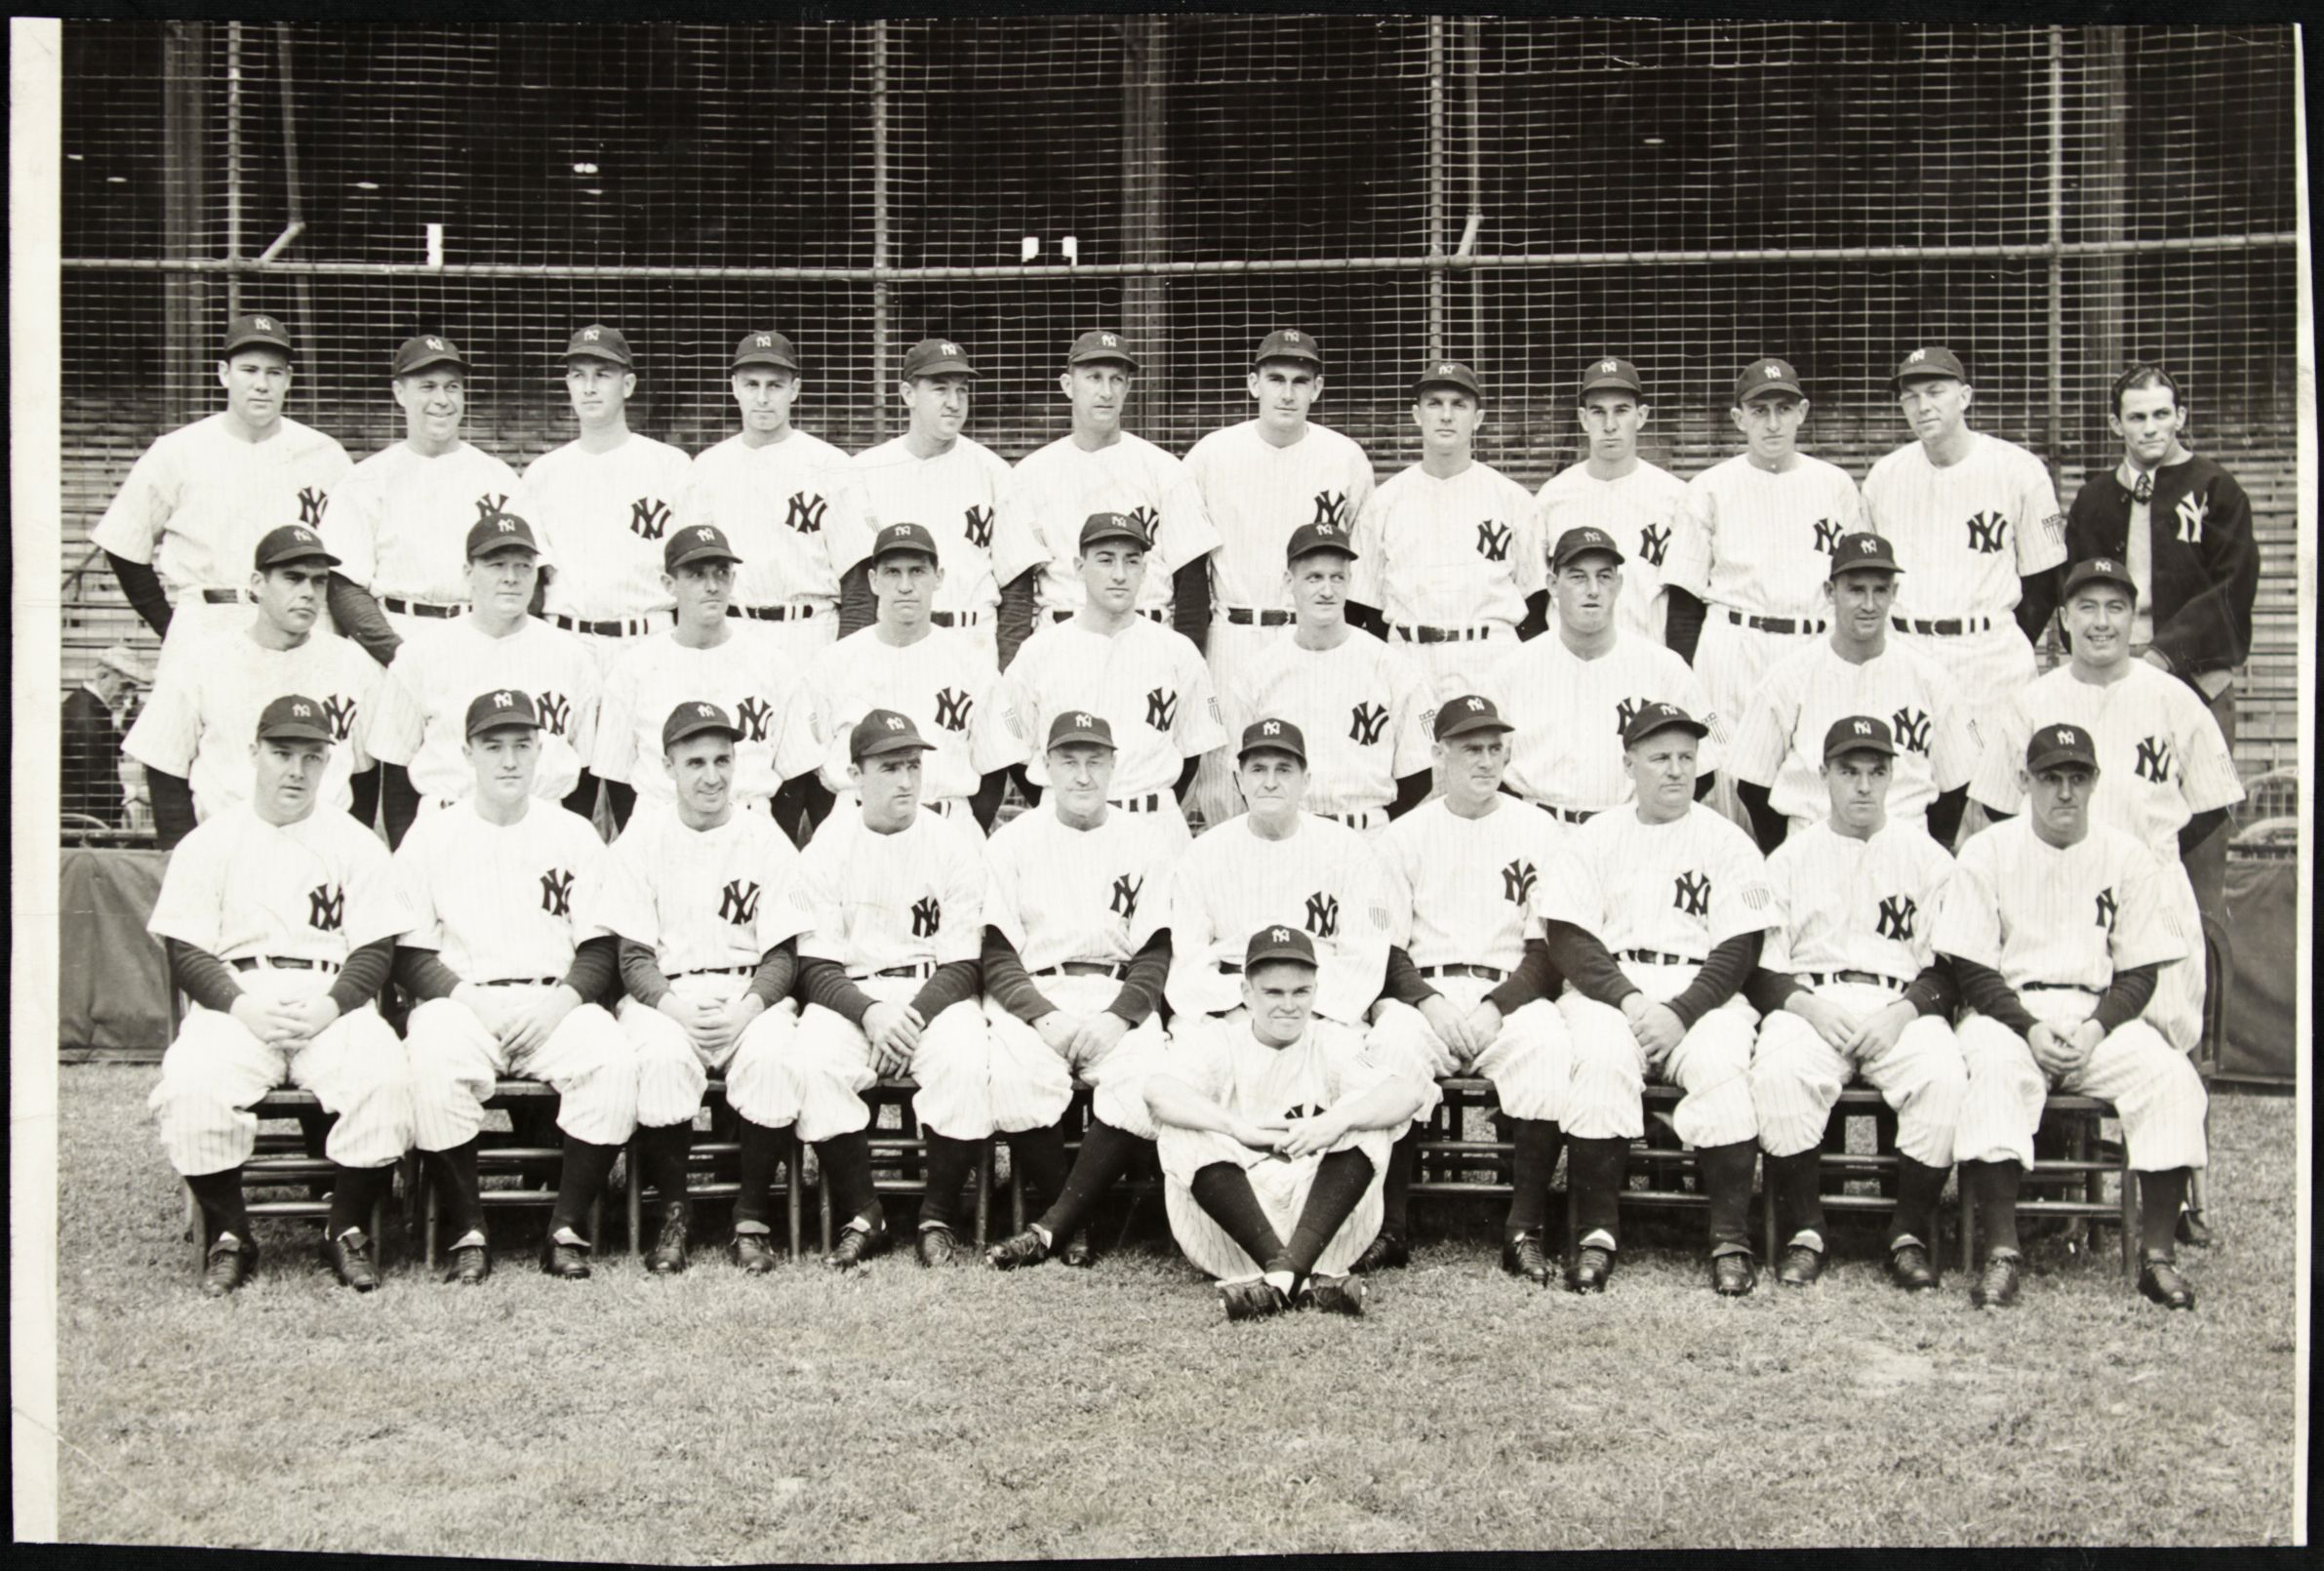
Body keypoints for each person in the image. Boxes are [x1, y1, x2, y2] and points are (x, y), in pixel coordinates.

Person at [145, 693, 414, 1297]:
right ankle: (230, 1233)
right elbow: (186, 950)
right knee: (191, 1083)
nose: (296, 769)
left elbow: (375, 950)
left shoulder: (355, 842)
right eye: (282, 752)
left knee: (385, 1077)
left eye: (311, 756)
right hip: (236, 996)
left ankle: (344, 1230)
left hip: (330, 995)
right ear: (253, 753)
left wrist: (329, 1006)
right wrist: (241, 1005)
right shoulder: (209, 842)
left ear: (328, 765)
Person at [1937, 722, 2208, 1311]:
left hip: (2094, 1013)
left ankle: (2156, 1255)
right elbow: (1972, 968)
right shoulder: (1988, 851)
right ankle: (2002, 1253)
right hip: (2008, 1013)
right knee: (1996, 1077)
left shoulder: (2127, 856)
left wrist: (2095, 1028)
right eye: (2050, 778)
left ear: (2094, 783)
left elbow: (2139, 970)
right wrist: (2028, 1027)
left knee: (2171, 1078)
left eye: (2077, 778)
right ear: (2024, 781)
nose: (2064, 792)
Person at [2055, 362, 2259, 1085]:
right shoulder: (2094, 499)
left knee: (2192, 874)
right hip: (2105, 686)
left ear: (2180, 418)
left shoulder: (2217, 490)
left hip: (2188, 684)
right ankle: (2102, 1028)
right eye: (2136, 417)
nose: (2150, 429)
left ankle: (2203, 1052)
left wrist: (2167, 657)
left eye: (2161, 415)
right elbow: (2074, 585)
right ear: (2116, 425)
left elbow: (2236, 588)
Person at [395, 689, 637, 1284]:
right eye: (493, 746)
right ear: (468, 753)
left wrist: (560, 1005)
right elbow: (410, 951)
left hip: (551, 999)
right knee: (430, 1064)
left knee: (612, 1060)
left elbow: (600, 945)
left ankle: (566, 1225)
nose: (509, 760)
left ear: (540, 753)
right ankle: (468, 1229)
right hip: (462, 999)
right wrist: (470, 1001)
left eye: (522, 746)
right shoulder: (432, 835)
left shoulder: (574, 833)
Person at [1537, 702, 1774, 1295]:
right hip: (1613, 992)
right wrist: (1634, 1002)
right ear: (1629, 764)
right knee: (1600, 1061)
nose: (1675, 770)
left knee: (1722, 1065)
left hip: (1702, 991)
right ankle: (1595, 1234)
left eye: (1686, 758)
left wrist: (1682, 1012)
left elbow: (1741, 945)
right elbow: (1569, 937)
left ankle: (1729, 1239)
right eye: (1660, 757)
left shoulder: (1727, 841)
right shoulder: (1595, 837)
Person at [781, 709, 1032, 1269]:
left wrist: (908, 1019)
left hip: (933, 996)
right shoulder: (827, 846)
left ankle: (936, 1215)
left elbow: (966, 962)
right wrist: (870, 1014)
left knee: (966, 1063)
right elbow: (813, 964)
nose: (905, 781)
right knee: (813, 1060)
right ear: (854, 774)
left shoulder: (951, 842)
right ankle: (864, 1211)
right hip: (852, 997)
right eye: (890, 767)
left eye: (914, 767)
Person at [1967, 556, 2244, 1055]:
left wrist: (2148, 852)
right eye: (2086, 607)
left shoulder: (2174, 699)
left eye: (2115, 608)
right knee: (2052, 1039)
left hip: (2153, 891)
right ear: (2064, 619)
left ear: (2133, 619)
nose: (2100, 621)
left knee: (2162, 1045)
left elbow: (2211, 804)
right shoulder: (2031, 702)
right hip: (2056, 893)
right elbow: (1998, 807)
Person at [1745, 715, 1964, 1291]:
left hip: (1901, 1004)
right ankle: (1806, 1230)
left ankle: (1908, 1231)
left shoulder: (1930, 859)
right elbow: (1763, 968)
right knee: (1779, 1071)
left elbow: (1949, 967)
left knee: (1943, 1077)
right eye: (1849, 771)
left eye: (1876, 771)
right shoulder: (1788, 859)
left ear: (1894, 776)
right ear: (1824, 776)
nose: (1863, 785)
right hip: (1813, 1001)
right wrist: (1810, 1009)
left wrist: (1904, 1013)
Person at [597, 702, 811, 1274]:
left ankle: (750, 1216)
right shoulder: (641, 842)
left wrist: (748, 1009)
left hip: (747, 992)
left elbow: (783, 953)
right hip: (666, 996)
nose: (712, 775)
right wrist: (675, 1010)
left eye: (722, 759)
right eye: (695, 762)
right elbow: (633, 956)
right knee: (662, 1060)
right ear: (667, 767)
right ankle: (674, 1212)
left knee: (771, 1058)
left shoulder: (764, 838)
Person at [1364, 695, 1571, 1284]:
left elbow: (1548, 948)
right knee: (1390, 1053)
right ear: (1439, 755)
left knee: (1550, 1051)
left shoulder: (1539, 830)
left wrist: (1494, 1008)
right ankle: (1390, 1227)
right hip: (1423, 992)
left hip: (1509, 995)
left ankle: (1524, 1229)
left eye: (1495, 748)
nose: (1485, 761)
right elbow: (1386, 945)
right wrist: (1427, 1004)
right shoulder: (1402, 837)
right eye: (1469, 748)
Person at [981, 712, 1186, 1271]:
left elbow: (1156, 950)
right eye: (1069, 761)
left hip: (1116, 995)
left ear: (1114, 767)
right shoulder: (1012, 843)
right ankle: (1073, 1218)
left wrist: (1118, 1018)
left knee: (1146, 1086)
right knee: (1018, 1080)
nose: (1082, 775)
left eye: (1095, 761)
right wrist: (1043, 1017)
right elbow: (996, 954)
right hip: (1036, 993)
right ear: (1046, 769)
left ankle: (1057, 1225)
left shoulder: (1145, 842)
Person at [1147, 925, 1425, 1319]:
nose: (1288, 1005)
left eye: (1301, 992)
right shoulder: (1220, 1040)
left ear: (1316, 991)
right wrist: (1237, 1129)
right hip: (1235, 1229)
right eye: (1273, 992)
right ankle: (1298, 1279)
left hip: (1319, 1220)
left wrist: (1337, 1121)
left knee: (1365, 1114)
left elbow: (1407, 1092)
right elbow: (1158, 1092)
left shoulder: (1331, 1040)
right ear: (1246, 994)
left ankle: (1280, 1279)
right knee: (1184, 1125)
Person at [1182, 329, 1378, 826]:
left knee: (1308, 762)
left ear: (1317, 388)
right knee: (1224, 774)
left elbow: (1364, 566)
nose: (1287, 392)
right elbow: (1187, 564)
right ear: (1253, 384)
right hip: (1234, 630)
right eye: (1275, 378)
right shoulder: (1212, 454)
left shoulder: (1345, 457)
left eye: (1299, 380)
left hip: (1308, 633)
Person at [94, 312, 353, 675]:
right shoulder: (177, 450)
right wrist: (170, 627)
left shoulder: (326, 455)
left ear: (288, 379)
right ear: (223, 373)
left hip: (300, 629)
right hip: (209, 618)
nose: (261, 384)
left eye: (274, 372)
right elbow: (123, 544)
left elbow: (351, 559)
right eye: (249, 370)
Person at [124, 524, 387, 850]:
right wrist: (185, 856)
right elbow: (165, 768)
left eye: (319, 581)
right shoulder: (201, 661)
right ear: (258, 584)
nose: (308, 592)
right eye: (292, 578)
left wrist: (347, 853)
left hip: (321, 850)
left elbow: (363, 775)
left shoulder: (352, 662)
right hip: (228, 848)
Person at [1726, 533, 1978, 852]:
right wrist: (1788, 854)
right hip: (1813, 848)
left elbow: (1956, 785)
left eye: (1880, 590)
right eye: (1856, 590)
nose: (1869, 605)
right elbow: (1752, 784)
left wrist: (1930, 854)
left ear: (1894, 593)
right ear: (1831, 592)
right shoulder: (1788, 677)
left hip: (1904, 848)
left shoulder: (1930, 678)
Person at [775, 521, 1027, 835]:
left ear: (939, 578)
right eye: (893, 572)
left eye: (917, 571)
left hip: (945, 824)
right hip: (857, 826)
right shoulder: (833, 663)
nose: (905, 585)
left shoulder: (972, 665)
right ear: (873, 580)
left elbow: (994, 768)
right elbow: (807, 767)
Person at [1662, 357, 1869, 737]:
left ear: (1802, 412)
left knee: (1811, 768)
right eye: (1760, 411)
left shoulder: (1835, 485)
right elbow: (1684, 601)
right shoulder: (1710, 487)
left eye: (1783, 409)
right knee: (1727, 774)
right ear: (1739, 418)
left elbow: (1855, 584)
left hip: (1813, 641)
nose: (1773, 424)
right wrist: (1686, 682)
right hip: (1734, 645)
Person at [369, 510, 602, 847]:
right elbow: (396, 774)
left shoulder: (572, 656)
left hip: (542, 827)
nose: (511, 577)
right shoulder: (421, 654)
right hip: (447, 827)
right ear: (468, 573)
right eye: (496, 565)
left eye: (523, 566)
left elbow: (583, 772)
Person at [999, 510, 1225, 838]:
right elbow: (1014, 749)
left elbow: (1193, 752)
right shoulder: (1040, 651)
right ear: (1079, 568)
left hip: (1152, 821)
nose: (1119, 574)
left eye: (1131, 561)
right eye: (1105, 560)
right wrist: (1059, 802)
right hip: (1067, 825)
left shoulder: (1177, 651)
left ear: (1144, 570)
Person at [1863, 345, 2069, 704]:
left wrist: (1998, 637)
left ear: (1965, 397)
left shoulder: (2018, 469)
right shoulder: (1885, 476)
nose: (1922, 406)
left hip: (1989, 657)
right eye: (1910, 397)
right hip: (1907, 649)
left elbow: (2044, 579)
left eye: (1935, 392)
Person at [1162, 718, 1392, 1031]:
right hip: (1226, 1013)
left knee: (1349, 1068)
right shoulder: (1203, 854)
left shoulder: (1349, 850)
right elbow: (1188, 961)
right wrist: (1246, 1005)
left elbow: (1364, 959)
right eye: (1258, 770)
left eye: (1283, 769)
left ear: (1306, 780)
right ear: (1239, 780)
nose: (1270, 782)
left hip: (1321, 1013)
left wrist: (1296, 1009)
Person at [1483, 526, 1723, 824]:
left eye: (1604, 576)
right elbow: (1484, 768)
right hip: (1538, 829)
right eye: (1578, 576)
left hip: (1629, 831)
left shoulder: (1664, 667)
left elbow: (1703, 770)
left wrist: (1650, 823)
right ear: (1552, 584)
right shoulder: (1511, 671)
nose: (1593, 589)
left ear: (1619, 584)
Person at [1004, 329, 1218, 655]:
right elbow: (1017, 595)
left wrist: (1188, 660)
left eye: (1116, 379)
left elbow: (1191, 586)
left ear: (1127, 387)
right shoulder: (1031, 474)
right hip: (1061, 639)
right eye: (1093, 377)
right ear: (1067, 385)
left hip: (1147, 636)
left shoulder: (1164, 469)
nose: (1106, 391)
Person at [831, 337, 1041, 667]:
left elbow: (1016, 591)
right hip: (893, 644)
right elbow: (858, 592)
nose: (954, 403)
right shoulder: (865, 471)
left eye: (962, 390)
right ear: (907, 394)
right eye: (940, 389)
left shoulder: (994, 472)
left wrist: (1006, 673)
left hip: (971, 639)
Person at [319, 334, 524, 665]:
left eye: (452, 386)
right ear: (400, 393)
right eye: (427, 387)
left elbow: (530, 579)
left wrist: (492, 645)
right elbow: (344, 587)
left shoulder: (498, 477)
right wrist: (400, 658)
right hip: (394, 636)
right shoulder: (367, 480)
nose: (441, 399)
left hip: (478, 640)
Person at [1349, 359, 1546, 697]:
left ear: (1478, 418)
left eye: (1459, 404)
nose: (1446, 415)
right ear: (1416, 415)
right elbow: (1364, 607)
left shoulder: (1512, 499)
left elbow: (1537, 602)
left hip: (1490, 657)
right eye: (1434, 403)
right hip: (1409, 657)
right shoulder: (1385, 502)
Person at [1228, 519, 1434, 834]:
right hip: (1289, 834)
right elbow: (1240, 773)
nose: (1327, 590)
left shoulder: (1390, 666)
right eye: (1314, 578)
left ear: (1350, 581)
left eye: (1337, 578)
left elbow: (1419, 775)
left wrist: (1374, 823)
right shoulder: (1258, 672)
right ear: (1289, 581)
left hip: (1368, 833)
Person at [592, 523, 802, 832]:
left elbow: (794, 775)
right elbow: (617, 777)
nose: (712, 585)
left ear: (733, 579)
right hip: (659, 824)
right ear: (669, 583)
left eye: (721, 573)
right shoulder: (633, 669)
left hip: (749, 821)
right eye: (696, 575)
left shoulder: (774, 666)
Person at [515, 323, 695, 673]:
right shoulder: (543, 473)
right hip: (566, 641)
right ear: (568, 385)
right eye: (578, 376)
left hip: (648, 639)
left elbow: (692, 570)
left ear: (627, 385)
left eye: (602, 375)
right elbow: (531, 581)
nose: (590, 388)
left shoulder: (671, 466)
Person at [679, 330, 855, 665]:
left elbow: (857, 582)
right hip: (732, 628)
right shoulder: (707, 467)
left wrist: (843, 660)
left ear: (795, 390)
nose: (762, 397)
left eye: (774, 385)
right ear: (734, 388)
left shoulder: (831, 465)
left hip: (810, 630)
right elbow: (689, 573)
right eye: (752, 385)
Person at [1537, 356, 1689, 645]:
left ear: (1641, 415)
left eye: (1621, 411)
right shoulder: (1553, 496)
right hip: (1568, 660)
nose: (1610, 425)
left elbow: (1685, 601)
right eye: (1598, 412)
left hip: (1647, 656)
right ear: (1583, 418)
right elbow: (1536, 594)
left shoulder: (1675, 497)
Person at [62, 644, 148, 826]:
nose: (128, 696)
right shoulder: (85, 718)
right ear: (103, 676)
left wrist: (126, 728)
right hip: (84, 825)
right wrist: (135, 792)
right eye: (125, 686)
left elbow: (99, 753)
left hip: (90, 819)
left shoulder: (88, 705)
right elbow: (95, 781)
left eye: (133, 688)